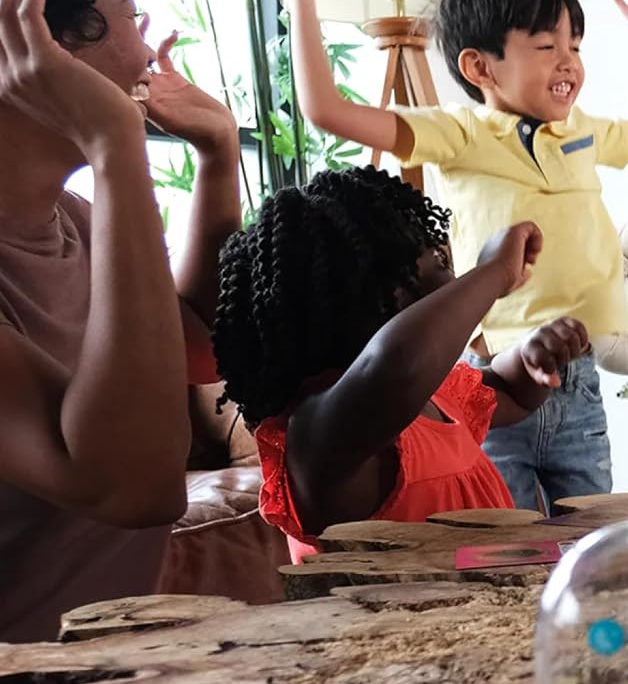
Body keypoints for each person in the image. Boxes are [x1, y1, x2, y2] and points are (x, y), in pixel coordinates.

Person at [261, 0, 628, 511]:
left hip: (575, 377)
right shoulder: (460, 132)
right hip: (495, 383)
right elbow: (329, 111)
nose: (568, 62)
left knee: (590, 534)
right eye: (547, 46)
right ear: (480, 67)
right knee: (508, 544)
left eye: (574, 46)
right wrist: (299, 1)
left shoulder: (583, 131)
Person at [0, 0, 240, 646]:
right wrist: (115, 144)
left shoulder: (73, 221)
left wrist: (219, 158)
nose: (145, 44)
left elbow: (193, 342)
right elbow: (134, 486)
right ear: (36, 39)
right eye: (128, 14)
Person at [213, 167, 590, 557]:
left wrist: (531, 357)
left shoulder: (436, 396)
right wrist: (494, 273)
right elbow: (397, 366)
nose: (456, 281)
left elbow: (512, 392)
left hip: (493, 615)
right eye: (440, 263)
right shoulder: (317, 436)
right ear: (379, 295)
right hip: (397, 619)